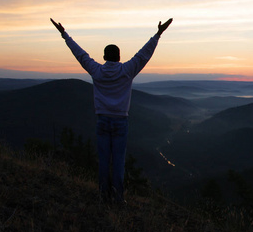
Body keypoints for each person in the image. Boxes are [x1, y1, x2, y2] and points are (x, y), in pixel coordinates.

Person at [51, 17, 173, 204]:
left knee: (103, 160)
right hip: (120, 122)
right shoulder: (127, 70)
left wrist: (64, 35)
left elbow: (80, 55)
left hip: (102, 121)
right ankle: (117, 197)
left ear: (104, 57)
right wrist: (158, 34)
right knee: (118, 162)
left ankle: (103, 195)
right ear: (119, 56)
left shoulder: (97, 71)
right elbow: (143, 55)